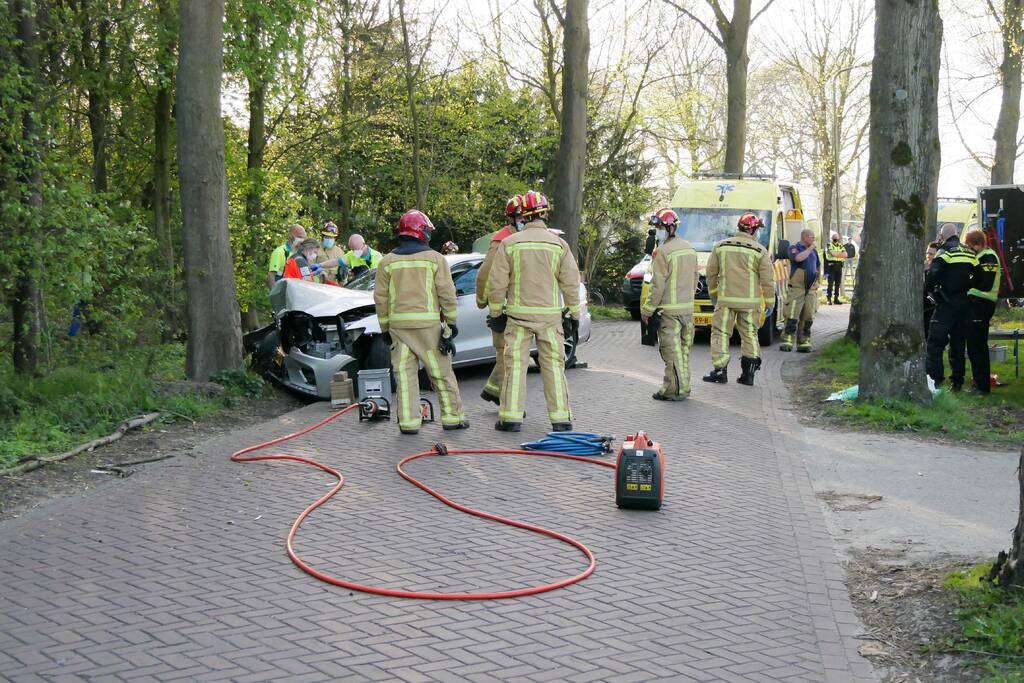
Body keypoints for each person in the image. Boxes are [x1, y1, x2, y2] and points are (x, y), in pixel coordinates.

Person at [487, 190, 581, 432]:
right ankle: (561, 419)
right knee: (553, 368)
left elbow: (497, 284)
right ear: (545, 214)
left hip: (518, 319)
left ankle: (510, 419)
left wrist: (496, 314)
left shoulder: (509, 244)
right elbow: (571, 283)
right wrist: (574, 315)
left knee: (515, 367)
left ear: (523, 216)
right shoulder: (559, 245)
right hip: (550, 320)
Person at [373, 210, 468, 434]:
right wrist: (451, 324)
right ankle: (453, 418)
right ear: (421, 232)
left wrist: (385, 328)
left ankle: (408, 423)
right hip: (429, 328)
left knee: (404, 377)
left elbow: (380, 299)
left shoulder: (387, 262)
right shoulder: (435, 259)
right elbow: (447, 293)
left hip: (399, 329)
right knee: (441, 374)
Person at [703, 212, 774, 386]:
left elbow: (711, 273)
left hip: (726, 301)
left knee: (720, 333)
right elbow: (767, 280)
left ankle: (720, 372)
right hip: (750, 304)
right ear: (753, 230)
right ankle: (748, 375)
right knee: (750, 335)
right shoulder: (760, 251)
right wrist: (770, 302)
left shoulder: (721, 246)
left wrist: (714, 294)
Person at [641, 208, 698, 401]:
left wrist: (648, 309)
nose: (657, 230)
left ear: (670, 227)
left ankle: (681, 389)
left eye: (659, 226)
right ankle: (668, 388)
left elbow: (657, 284)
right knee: (682, 351)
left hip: (670, 312)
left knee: (671, 353)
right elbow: (695, 277)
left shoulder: (663, 252)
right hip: (688, 311)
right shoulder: (690, 248)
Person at [475, 195, 524, 405]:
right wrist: (483, 301)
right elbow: (485, 275)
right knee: (507, 357)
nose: (525, 220)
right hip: (503, 310)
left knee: (509, 356)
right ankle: (506, 401)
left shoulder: (524, 238)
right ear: (511, 218)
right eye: (521, 216)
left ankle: (494, 391)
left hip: (520, 309)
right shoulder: (501, 240)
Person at [925, 223, 978, 391]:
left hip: (946, 304)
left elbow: (933, 274)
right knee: (958, 344)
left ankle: (935, 380)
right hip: (965, 305)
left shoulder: (944, 251)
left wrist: (931, 288)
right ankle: (957, 382)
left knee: (935, 342)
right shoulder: (970, 252)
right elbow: (978, 276)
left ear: (943, 236)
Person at [965, 230, 1001, 394]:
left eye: (970, 246)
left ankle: (981, 386)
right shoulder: (981, 256)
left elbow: (986, 284)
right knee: (974, 346)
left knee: (977, 346)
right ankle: (978, 384)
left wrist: (967, 282)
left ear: (977, 244)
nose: (970, 249)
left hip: (982, 303)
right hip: (977, 303)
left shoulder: (988, 257)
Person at [779, 228, 820, 353]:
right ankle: (787, 340)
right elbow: (798, 259)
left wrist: (818, 279)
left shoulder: (814, 252)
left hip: (811, 289)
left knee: (808, 316)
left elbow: (818, 265)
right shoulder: (794, 248)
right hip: (797, 288)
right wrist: (810, 249)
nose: (814, 240)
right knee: (792, 315)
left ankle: (804, 342)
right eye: (812, 237)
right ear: (805, 237)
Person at [923, 241, 942, 338]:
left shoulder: (938, 270)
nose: (928, 256)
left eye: (931, 254)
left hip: (933, 306)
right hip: (922, 307)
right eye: (927, 253)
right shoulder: (922, 267)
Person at [823, 232, 847, 304]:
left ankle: (836, 299)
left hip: (839, 266)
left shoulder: (840, 246)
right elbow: (832, 254)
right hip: (831, 266)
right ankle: (829, 299)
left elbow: (845, 255)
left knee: (837, 283)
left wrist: (836, 254)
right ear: (832, 238)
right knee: (830, 283)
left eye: (837, 238)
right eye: (834, 238)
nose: (836, 239)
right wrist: (840, 254)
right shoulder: (829, 245)